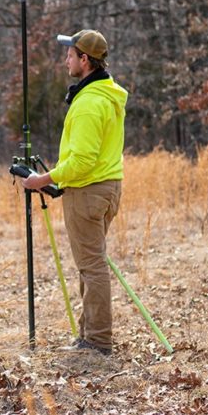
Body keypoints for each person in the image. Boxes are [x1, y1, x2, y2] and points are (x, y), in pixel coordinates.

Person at [20, 29, 128, 356]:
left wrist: (43, 179)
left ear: (85, 60)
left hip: (88, 191)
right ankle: (89, 336)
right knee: (90, 263)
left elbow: (81, 161)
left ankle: (96, 342)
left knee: (91, 267)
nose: (65, 60)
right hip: (107, 188)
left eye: (70, 55)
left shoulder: (89, 104)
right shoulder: (106, 95)